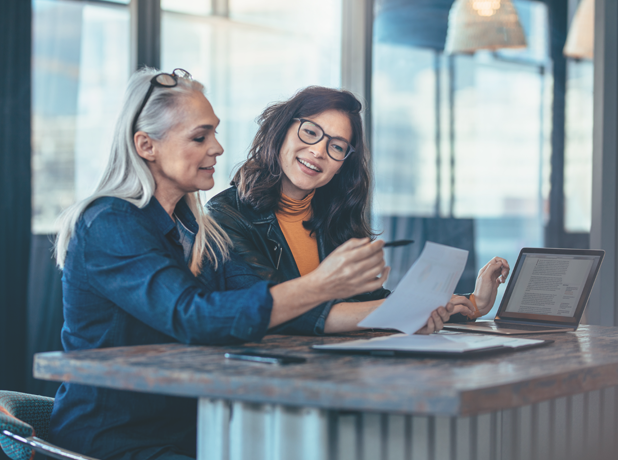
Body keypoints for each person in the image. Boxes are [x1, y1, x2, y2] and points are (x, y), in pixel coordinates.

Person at [49, 69, 390, 460]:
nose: (218, 148)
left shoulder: (193, 226)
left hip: (194, 430)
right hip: (119, 440)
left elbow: (249, 301)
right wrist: (322, 284)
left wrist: (416, 308)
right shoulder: (109, 223)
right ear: (146, 145)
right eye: (200, 137)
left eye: (214, 133)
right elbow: (193, 316)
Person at [207, 86, 510, 333]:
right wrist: (405, 311)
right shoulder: (225, 216)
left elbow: (369, 303)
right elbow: (275, 310)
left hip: (337, 371)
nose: (318, 151)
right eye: (310, 132)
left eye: (337, 146)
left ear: (342, 166)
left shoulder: (334, 218)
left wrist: (472, 303)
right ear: (281, 131)